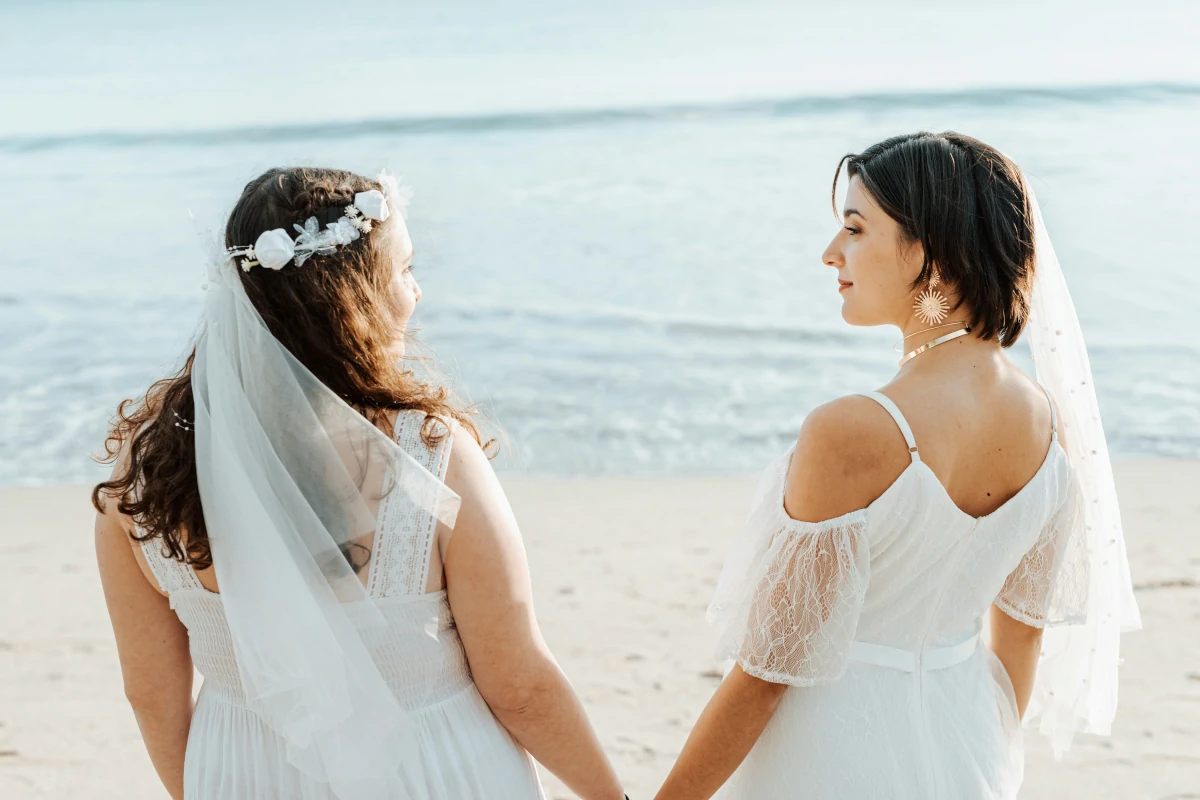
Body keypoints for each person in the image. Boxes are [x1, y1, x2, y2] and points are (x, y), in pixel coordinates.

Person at [93, 166, 626, 800]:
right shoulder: (429, 454)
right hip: (432, 768)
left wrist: (213, 784)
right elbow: (518, 683)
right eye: (403, 270)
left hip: (238, 771)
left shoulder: (146, 485)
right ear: (353, 298)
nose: (417, 292)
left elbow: (150, 694)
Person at [655, 132, 1140, 799]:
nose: (831, 254)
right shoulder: (1048, 428)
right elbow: (1018, 646)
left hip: (829, 755)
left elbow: (769, 671)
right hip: (967, 746)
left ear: (932, 258)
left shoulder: (850, 431)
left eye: (855, 230)